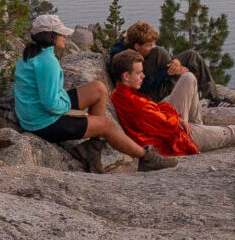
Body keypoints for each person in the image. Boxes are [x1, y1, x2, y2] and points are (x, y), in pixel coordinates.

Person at [16, 14, 177, 171]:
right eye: (61, 34)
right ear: (50, 36)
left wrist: (65, 102)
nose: (65, 36)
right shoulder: (47, 62)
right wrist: (72, 111)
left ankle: (92, 149)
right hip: (43, 123)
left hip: (37, 114)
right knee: (106, 125)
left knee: (99, 88)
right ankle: (146, 159)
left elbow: (47, 97)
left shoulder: (32, 54)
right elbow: (51, 104)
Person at [105, 52, 235, 154]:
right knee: (233, 132)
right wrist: (176, 118)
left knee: (188, 78)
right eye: (138, 73)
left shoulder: (119, 93)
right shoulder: (134, 102)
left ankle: (199, 127)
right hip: (175, 139)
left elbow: (156, 113)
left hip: (168, 126)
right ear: (126, 76)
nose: (143, 76)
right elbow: (165, 124)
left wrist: (177, 118)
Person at [111, 21, 217, 116]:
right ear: (137, 46)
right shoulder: (123, 60)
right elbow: (143, 86)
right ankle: (181, 87)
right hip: (148, 92)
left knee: (192, 55)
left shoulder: (130, 45)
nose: (152, 47)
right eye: (149, 45)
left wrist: (176, 62)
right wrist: (167, 72)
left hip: (155, 76)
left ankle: (213, 96)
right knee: (159, 52)